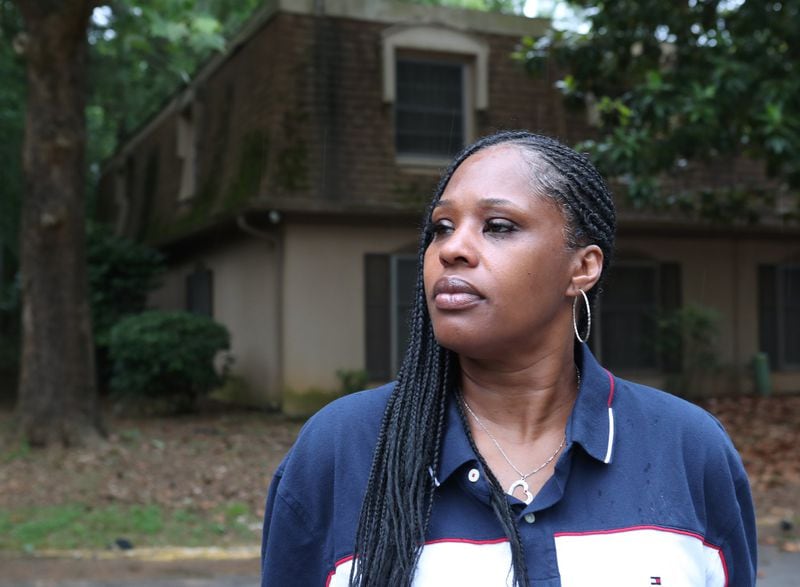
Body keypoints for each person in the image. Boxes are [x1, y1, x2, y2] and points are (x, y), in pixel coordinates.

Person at [260, 131, 757, 586]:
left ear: (582, 268)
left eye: (497, 226)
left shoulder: (689, 450)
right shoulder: (340, 450)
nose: (452, 249)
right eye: (441, 227)